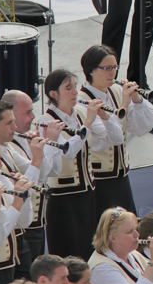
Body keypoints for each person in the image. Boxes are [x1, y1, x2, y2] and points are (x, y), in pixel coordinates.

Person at [36, 69, 104, 259]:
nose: (75, 92)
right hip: (64, 199)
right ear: (53, 94)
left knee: (90, 248)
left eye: (75, 87)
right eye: (68, 88)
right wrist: (87, 124)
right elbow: (67, 150)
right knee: (71, 251)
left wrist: (106, 116)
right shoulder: (45, 122)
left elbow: (105, 138)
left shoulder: (81, 113)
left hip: (87, 193)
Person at [79, 45, 153, 216]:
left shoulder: (117, 90)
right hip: (98, 179)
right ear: (91, 70)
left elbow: (142, 128)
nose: (112, 73)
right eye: (106, 68)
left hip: (121, 176)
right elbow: (110, 137)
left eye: (114, 67)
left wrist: (137, 100)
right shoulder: (82, 101)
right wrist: (124, 106)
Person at [3, 90, 63, 268]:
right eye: (27, 112)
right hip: (22, 227)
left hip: (35, 222)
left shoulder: (23, 139)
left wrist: (51, 142)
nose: (33, 116)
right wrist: (40, 155)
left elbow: (52, 171)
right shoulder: (8, 146)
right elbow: (37, 177)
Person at [0, 98, 51, 277]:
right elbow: (27, 184)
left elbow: (39, 175)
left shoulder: (7, 149)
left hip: (16, 237)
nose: (15, 127)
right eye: (9, 123)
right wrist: (20, 195)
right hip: (3, 245)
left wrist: (38, 157)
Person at [0, 138, 34, 284]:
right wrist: (15, 204)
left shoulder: (1, 180)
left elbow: (23, 222)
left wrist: (23, 197)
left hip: (8, 266)